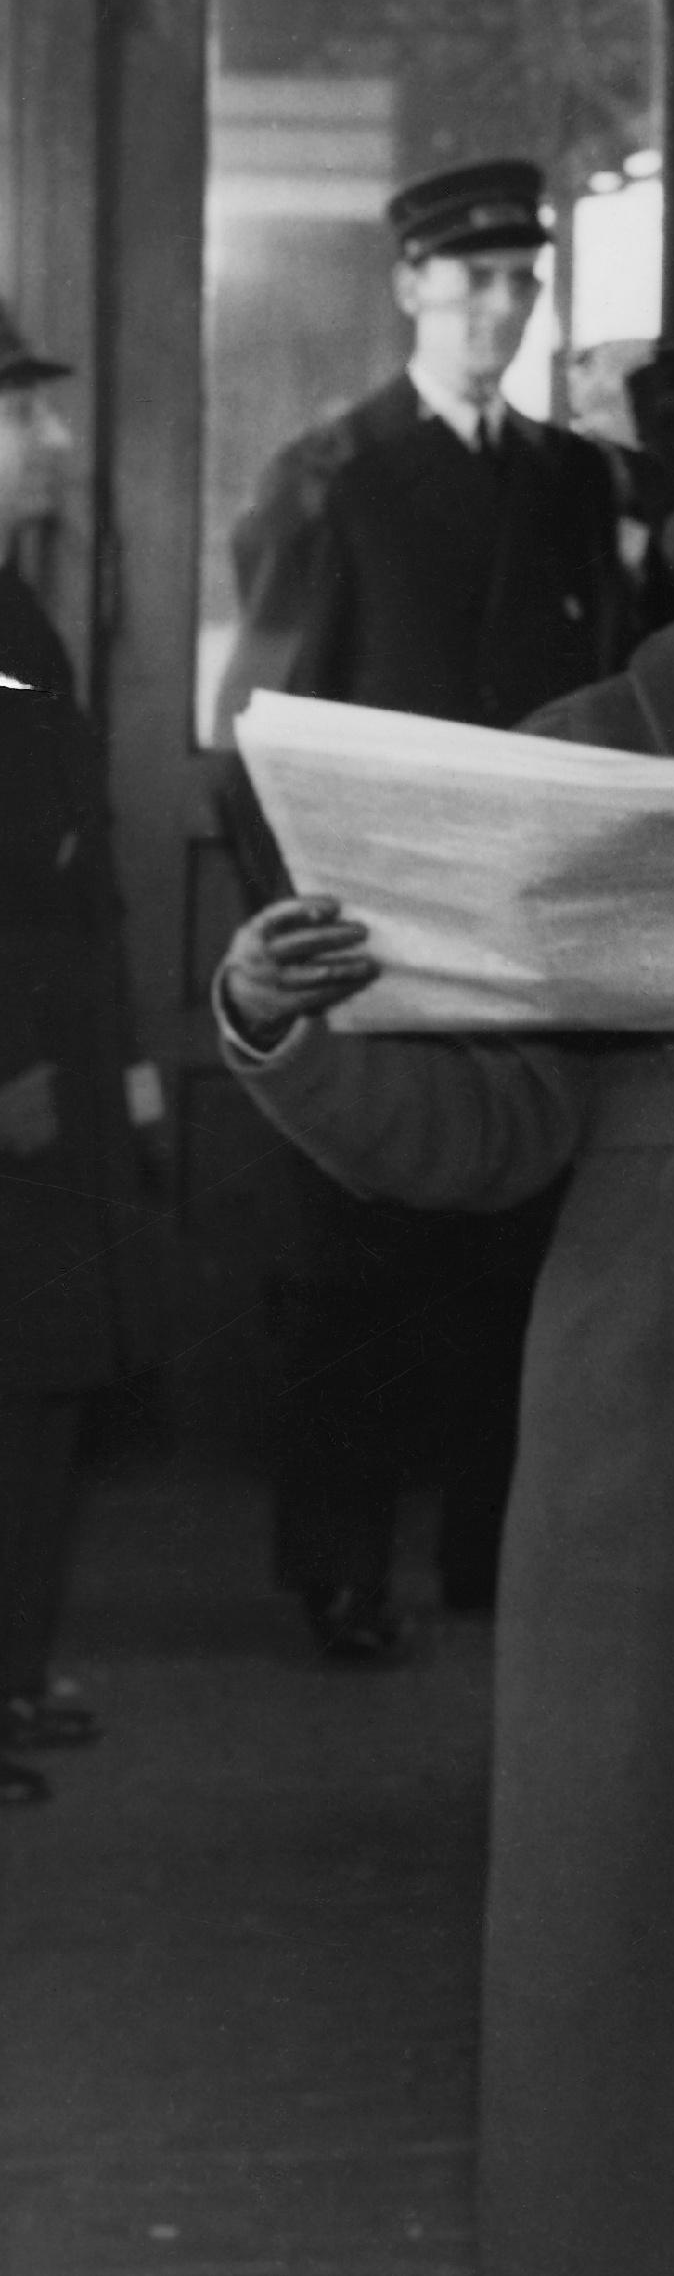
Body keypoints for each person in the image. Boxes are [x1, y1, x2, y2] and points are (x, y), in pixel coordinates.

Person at [213, 250, 674, 2276]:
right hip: (657, 1381)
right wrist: (300, 1027)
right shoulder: (602, 736)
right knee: (632, 1900)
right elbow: (492, 1132)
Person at [223, 157, 635, 1660]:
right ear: (408, 286)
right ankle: (339, 1567)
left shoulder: (580, 481)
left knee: (514, 1258)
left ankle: (486, 1551)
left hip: (529, 927)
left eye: (521, 283)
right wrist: (308, 943)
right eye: (471, 281)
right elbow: (243, 734)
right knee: (354, 1269)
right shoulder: (324, 473)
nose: (499, 309)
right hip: (367, 932)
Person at [0, 317, 148, 1805]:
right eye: (19, 414)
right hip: (11, 1078)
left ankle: (12, 1669)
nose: (48, 439)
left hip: (55, 1062)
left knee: (37, 1393)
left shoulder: (15, 615)